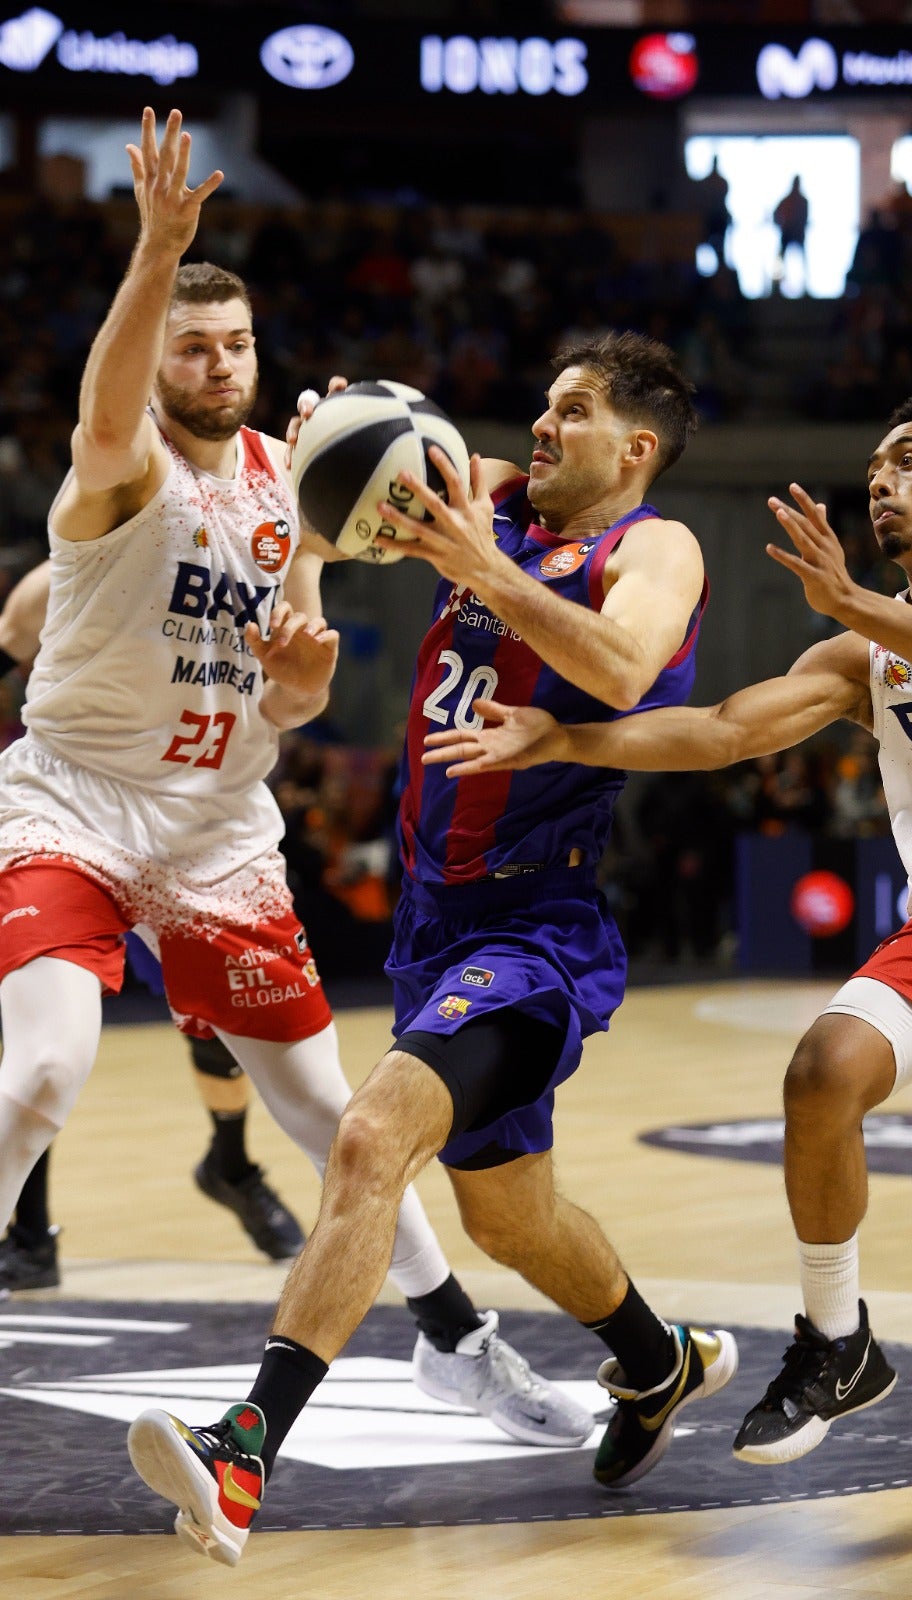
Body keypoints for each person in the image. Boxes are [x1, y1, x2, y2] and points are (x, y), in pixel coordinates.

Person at [422, 390, 912, 1535]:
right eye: (871, 467)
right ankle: (833, 1338)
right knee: (823, 1069)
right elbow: (726, 727)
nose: (879, 479)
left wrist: (853, 603)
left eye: (906, 459)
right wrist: (564, 736)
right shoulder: (866, 651)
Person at [0, 109, 591, 1445]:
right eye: (191, 345)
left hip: (217, 826)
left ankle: (460, 1347)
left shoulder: (299, 488)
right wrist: (158, 251)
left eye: (236, 343)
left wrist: (303, 674)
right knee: (42, 1071)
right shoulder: (121, 463)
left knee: (332, 1109)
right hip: (73, 805)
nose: (217, 363)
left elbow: (293, 695)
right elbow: (106, 400)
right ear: (157, 356)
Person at [127, 324, 738, 1565]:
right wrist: (326, 439)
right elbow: (367, 477)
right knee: (510, 1218)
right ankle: (655, 1359)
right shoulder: (489, 499)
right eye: (544, 403)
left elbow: (625, 667)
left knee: (369, 1137)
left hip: (535, 928)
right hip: (431, 922)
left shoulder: (651, 545)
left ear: (635, 446)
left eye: (573, 409)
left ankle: (243, 1452)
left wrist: (480, 566)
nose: (542, 425)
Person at [0, 563, 305, 1282]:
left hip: (180, 813)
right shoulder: (115, 536)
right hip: (71, 810)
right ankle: (32, 1235)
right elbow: (15, 630)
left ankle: (230, 1163)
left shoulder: (235, 546)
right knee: (35, 1032)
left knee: (222, 1022)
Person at [773, 175, 809, 293]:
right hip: (788, 232)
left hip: (797, 233)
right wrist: (783, 224)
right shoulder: (787, 200)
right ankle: (776, 286)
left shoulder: (803, 201)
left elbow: (805, 218)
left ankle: (805, 286)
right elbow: (776, 214)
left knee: (802, 260)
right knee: (781, 259)